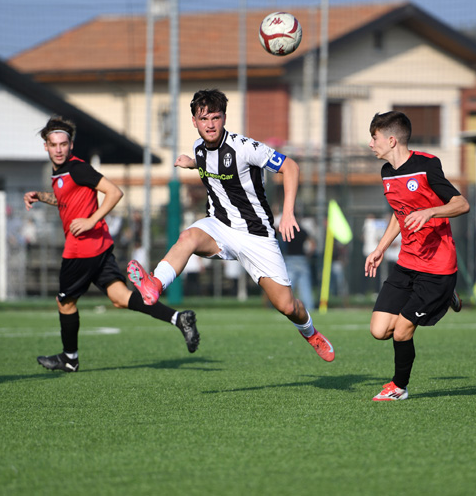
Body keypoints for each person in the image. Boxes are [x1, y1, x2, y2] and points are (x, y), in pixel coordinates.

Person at [127, 89, 334, 362]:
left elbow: (291, 167)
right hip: (219, 226)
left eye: (215, 117)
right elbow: (209, 163)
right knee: (188, 237)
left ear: (224, 118)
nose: (210, 124)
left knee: (287, 306)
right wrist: (192, 164)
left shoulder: (244, 147)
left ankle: (310, 333)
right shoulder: (199, 148)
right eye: (204, 119)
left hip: (257, 235)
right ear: (194, 121)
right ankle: (155, 284)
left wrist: (287, 213)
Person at [24, 116, 199, 373]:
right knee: (120, 297)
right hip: (99, 246)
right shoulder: (61, 173)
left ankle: (70, 359)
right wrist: (40, 196)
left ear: (71, 145)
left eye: (63, 144)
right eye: (54, 145)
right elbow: (65, 199)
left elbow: (115, 192)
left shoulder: (77, 168)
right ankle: (178, 318)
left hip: (82, 249)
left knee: (65, 303)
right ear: (46, 146)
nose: (59, 149)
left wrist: (91, 220)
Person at [364, 111, 468, 401]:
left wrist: (430, 211)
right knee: (379, 330)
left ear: (391, 140)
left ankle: (398, 387)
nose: (371, 144)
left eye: (374, 138)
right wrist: (380, 248)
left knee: (401, 331)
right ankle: (446, 298)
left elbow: (461, 204)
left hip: (437, 268)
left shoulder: (427, 166)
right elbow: (399, 213)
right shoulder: (387, 172)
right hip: (408, 263)